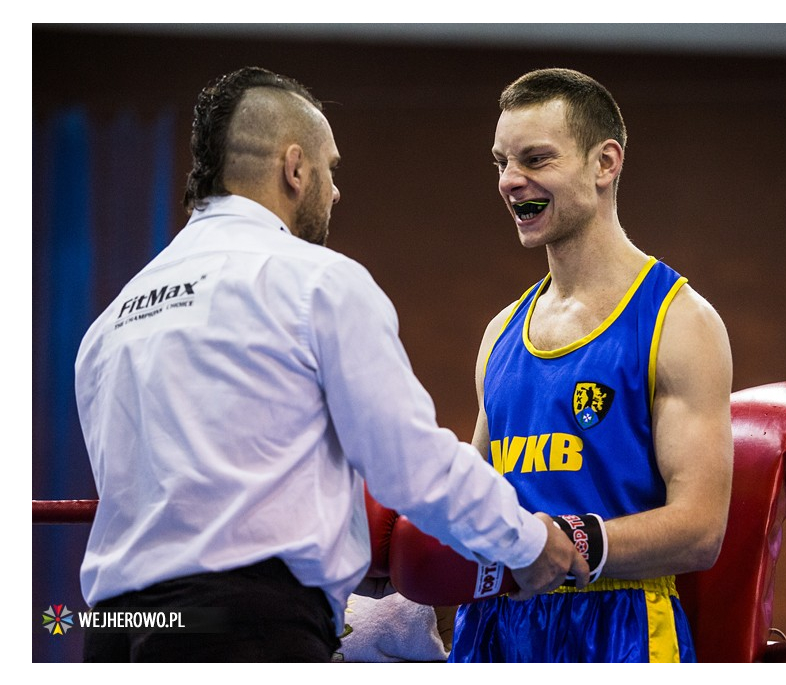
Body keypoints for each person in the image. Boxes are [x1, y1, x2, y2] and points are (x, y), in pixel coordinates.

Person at [74, 66, 588, 663]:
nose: (335, 190)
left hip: (113, 631)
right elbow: (411, 466)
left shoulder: (109, 324)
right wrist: (528, 543)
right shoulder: (313, 281)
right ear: (295, 168)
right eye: (330, 168)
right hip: (245, 628)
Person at [447, 68, 735, 663]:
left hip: (620, 628)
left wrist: (567, 541)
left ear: (605, 164)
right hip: (495, 628)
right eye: (500, 161)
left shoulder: (678, 322)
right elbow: (471, 500)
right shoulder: (501, 332)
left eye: (535, 158)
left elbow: (701, 528)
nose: (509, 180)